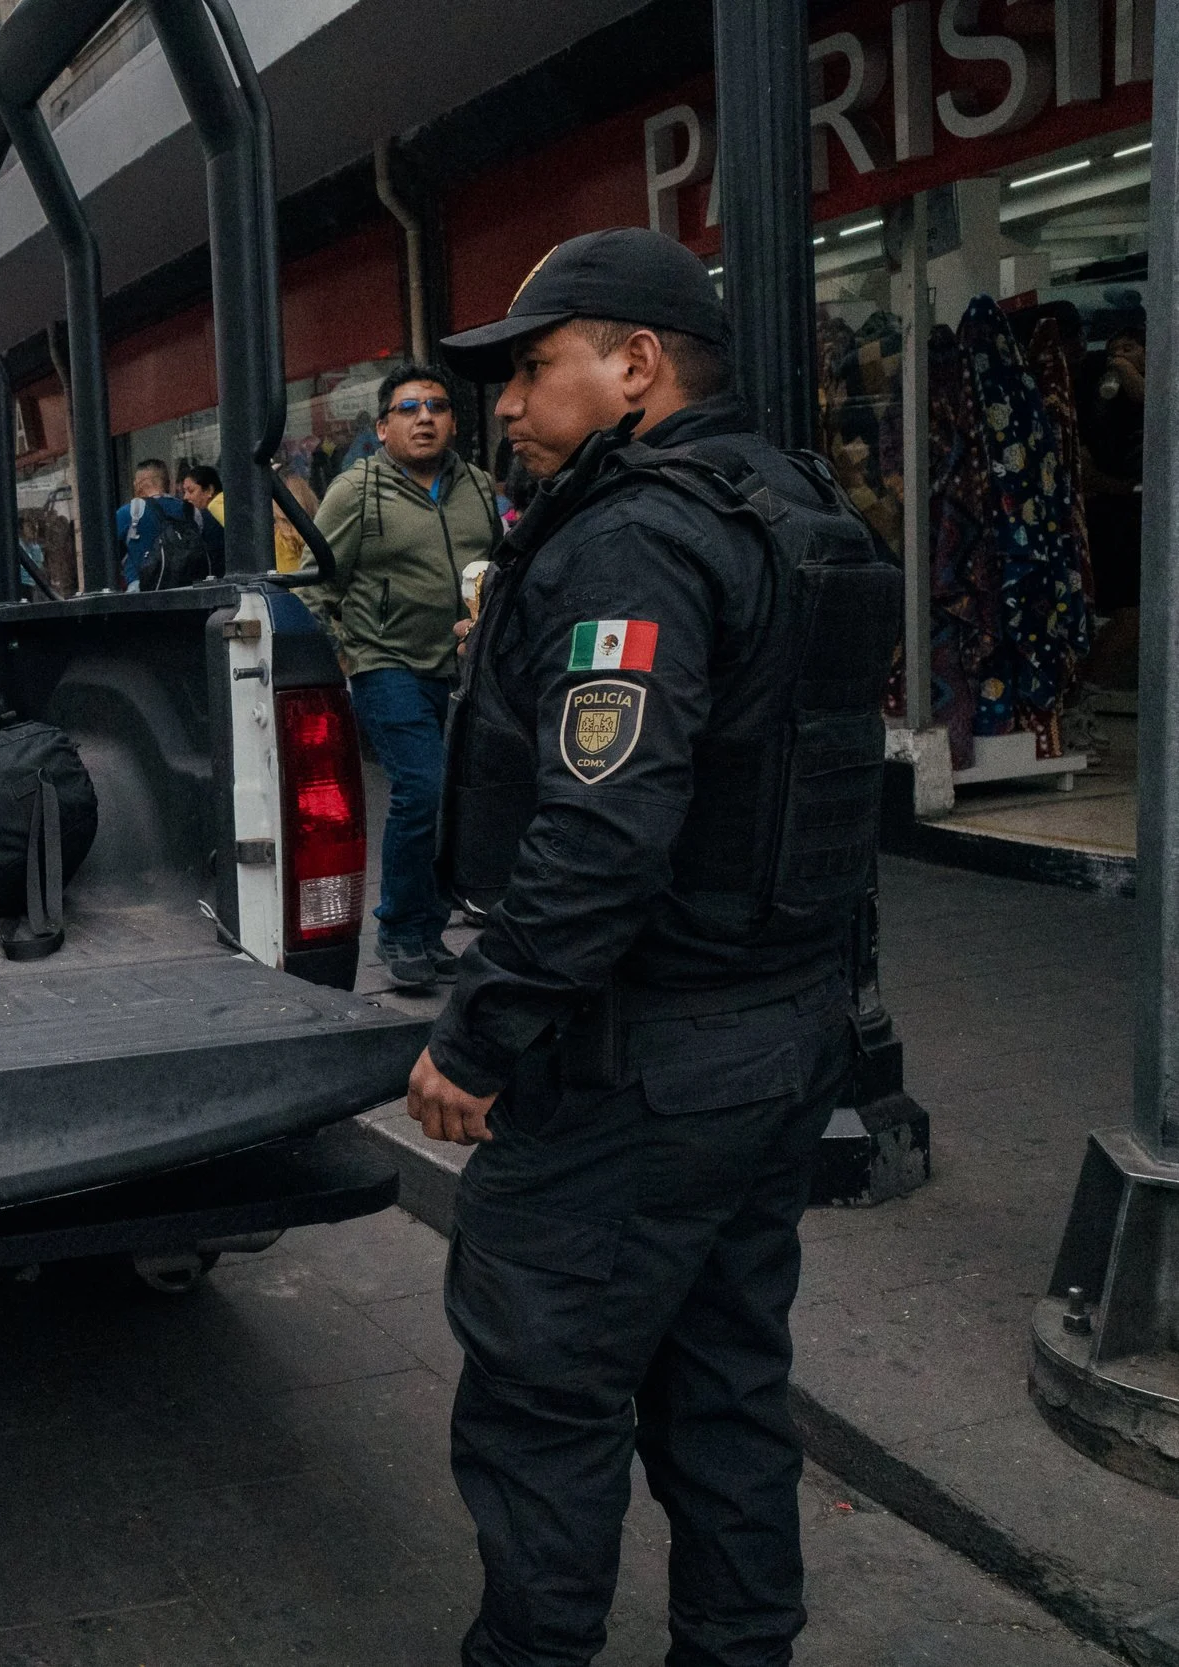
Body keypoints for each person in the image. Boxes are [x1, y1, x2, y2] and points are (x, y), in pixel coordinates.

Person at [411, 226, 895, 1667]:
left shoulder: (637, 534)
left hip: (647, 1060)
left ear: (635, 365)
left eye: (535, 367)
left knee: (545, 1389)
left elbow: (603, 831)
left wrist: (477, 1031)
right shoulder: (784, 500)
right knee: (727, 1378)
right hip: (780, 1027)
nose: (504, 402)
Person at [304, 363, 502, 990]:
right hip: (385, 663)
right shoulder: (356, 490)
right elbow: (314, 582)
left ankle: (429, 929)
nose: (425, 418)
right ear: (384, 427)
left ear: (453, 421)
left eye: (437, 407)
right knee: (422, 788)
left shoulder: (477, 485)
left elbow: (496, 569)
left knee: (454, 799)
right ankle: (395, 929)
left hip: (463, 669)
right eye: (410, 408)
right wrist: (344, 652)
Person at [115, 458, 185, 590]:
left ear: (140, 484)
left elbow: (106, 554)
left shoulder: (129, 512)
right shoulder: (191, 511)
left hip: (142, 589)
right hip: (186, 587)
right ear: (167, 483)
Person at [177, 463, 226, 574]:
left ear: (209, 490)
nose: (186, 497)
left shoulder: (213, 512)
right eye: (184, 492)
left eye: (191, 491)